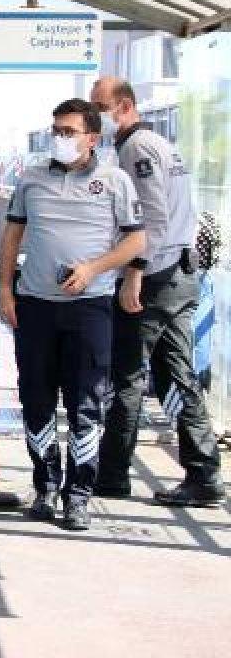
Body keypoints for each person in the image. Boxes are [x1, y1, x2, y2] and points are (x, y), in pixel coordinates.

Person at [0, 98, 145, 530]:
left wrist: (93, 269)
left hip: (89, 308)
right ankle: (45, 487)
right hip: (35, 306)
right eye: (56, 131)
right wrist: (6, 291)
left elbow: (136, 242)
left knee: (86, 404)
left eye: (69, 131)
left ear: (92, 138)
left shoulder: (115, 181)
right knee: (36, 399)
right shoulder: (31, 178)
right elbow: (11, 235)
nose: (60, 138)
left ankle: (78, 496)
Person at [90, 77, 225, 506]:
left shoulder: (136, 149)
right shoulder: (159, 144)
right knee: (176, 375)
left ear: (124, 106)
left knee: (126, 376)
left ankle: (111, 475)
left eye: (100, 106)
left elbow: (152, 219)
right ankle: (202, 472)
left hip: (155, 277)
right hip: (179, 274)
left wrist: (134, 274)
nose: (95, 115)